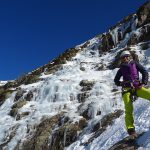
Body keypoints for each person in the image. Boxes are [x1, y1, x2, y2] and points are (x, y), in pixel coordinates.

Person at [114, 50, 150, 137]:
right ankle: (131, 131)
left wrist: (144, 82)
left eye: (127, 56)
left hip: (137, 87)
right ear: (121, 59)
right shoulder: (121, 69)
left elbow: (144, 72)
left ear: (130, 56)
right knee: (128, 108)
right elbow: (116, 80)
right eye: (123, 57)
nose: (125, 58)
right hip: (127, 89)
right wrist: (121, 83)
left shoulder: (135, 64)